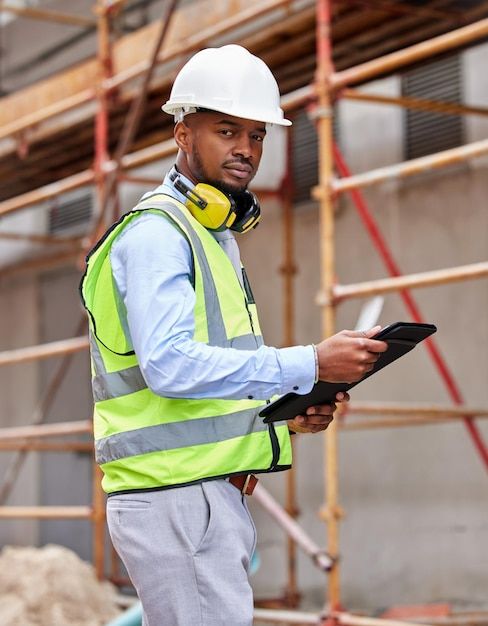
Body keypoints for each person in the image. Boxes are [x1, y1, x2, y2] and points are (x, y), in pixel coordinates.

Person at [80, 45, 387, 626]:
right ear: (183, 133)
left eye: (257, 134)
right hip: (175, 498)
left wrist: (279, 414)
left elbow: (197, 394)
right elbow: (169, 367)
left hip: (199, 493)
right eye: (227, 130)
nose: (246, 148)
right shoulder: (158, 236)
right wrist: (311, 364)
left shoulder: (213, 236)